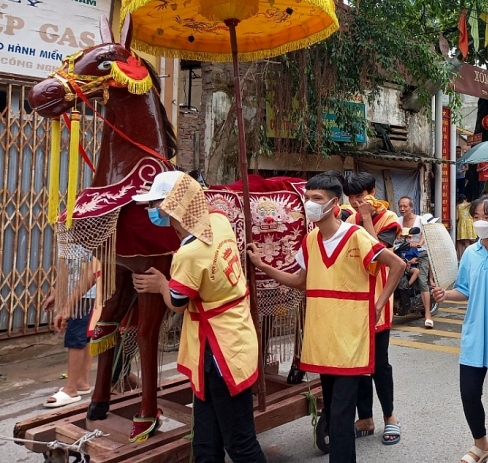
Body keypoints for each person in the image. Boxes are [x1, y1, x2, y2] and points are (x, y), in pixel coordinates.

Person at [248, 172, 405, 462]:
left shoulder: (355, 235)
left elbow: (397, 264)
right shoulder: (310, 241)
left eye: (316, 199)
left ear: (334, 203)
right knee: (333, 410)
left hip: (350, 339)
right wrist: (263, 266)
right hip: (322, 338)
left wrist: (379, 304)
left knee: (342, 416)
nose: (309, 204)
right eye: (307, 199)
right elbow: (299, 280)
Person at [130, 171, 266, 463]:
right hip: (231, 338)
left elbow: (178, 303)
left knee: (240, 443)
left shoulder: (189, 254)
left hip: (221, 352)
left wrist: (161, 285)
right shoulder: (219, 220)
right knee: (206, 441)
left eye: (155, 205)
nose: (152, 211)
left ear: (172, 206)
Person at [432, 195, 488, 463]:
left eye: (487, 217)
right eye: (476, 217)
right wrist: (446, 295)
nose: (480, 222)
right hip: (473, 338)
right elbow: (464, 290)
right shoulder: (470, 253)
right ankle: (480, 444)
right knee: (469, 394)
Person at [342, 173, 405, 444]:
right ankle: (365, 417)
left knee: (380, 364)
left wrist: (367, 218)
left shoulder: (389, 219)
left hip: (379, 301)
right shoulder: (348, 219)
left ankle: (390, 417)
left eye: (360, 196)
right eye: (352, 198)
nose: (356, 203)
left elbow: (378, 254)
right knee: (357, 364)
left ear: (372, 192)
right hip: (354, 301)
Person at [42, 258, 97, 408]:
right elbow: (66, 268)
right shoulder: (66, 236)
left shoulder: (91, 234)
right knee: (85, 336)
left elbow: (94, 268)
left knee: (75, 337)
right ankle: (81, 382)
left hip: (87, 293)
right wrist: (57, 292)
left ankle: (71, 389)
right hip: (80, 293)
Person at [395, 194, 435, 329]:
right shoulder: (397, 220)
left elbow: (425, 233)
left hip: (420, 253)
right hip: (402, 253)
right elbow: (395, 235)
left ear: (411, 207)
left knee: (422, 280)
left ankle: (428, 315)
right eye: (400, 206)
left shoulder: (420, 220)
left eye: (405, 206)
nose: (402, 208)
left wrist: (418, 243)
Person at [456, 194, 475, 259]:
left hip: (462, 224)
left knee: (464, 241)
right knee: (469, 241)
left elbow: (456, 217)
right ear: (466, 199)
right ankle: (470, 256)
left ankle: (464, 257)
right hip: (471, 223)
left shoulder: (458, 206)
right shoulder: (471, 205)